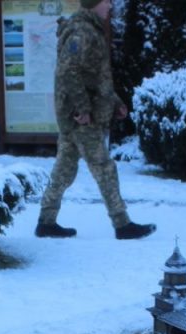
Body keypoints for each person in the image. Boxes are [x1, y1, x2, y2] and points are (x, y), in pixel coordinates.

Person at [35, 0, 156, 241]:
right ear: (93, 4)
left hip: (77, 116)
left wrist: (116, 102)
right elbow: (68, 72)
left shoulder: (90, 29)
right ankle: (122, 224)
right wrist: (83, 108)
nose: (110, 6)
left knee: (64, 170)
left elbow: (96, 78)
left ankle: (46, 222)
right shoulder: (82, 31)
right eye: (106, 1)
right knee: (104, 167)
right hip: (81, 118)